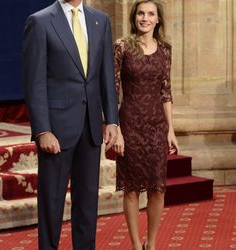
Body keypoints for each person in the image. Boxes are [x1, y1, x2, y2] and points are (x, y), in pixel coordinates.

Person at [22, 0, 118, 249]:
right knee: (51, 203)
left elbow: (106, 74)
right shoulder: (40, 21)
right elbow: (34, 83)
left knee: (87, 204)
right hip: (56, 130)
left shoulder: (101, 20)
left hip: (90, 128)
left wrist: (112, 120)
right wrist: (43, 130)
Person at [113, 1, 179, 250]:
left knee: (157, 188)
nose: (145, 17)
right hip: (129, 125)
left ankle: (151, 244)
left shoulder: (165, 50)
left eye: (150, 14)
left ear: (158, 20)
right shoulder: (122, 46)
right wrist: (116, 128)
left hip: (156, 127)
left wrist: (170, 130)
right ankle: (134, 244)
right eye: (141, 13)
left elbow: (166, 92)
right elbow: (113, 90)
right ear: (134, 17)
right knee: (131, 189)